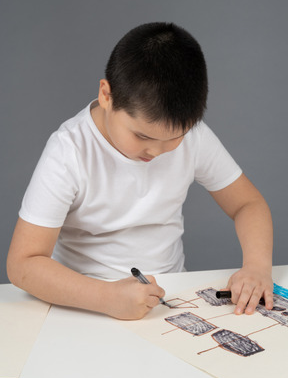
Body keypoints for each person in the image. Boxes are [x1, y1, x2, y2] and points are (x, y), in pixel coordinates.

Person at [6, 22, 273, 320]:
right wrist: (105, 297)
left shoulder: (194, 136)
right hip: (83, 305)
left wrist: (257, 266)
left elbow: (248, 204)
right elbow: (23, 264)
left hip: (168, 300)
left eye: (174, 138)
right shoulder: (69, 151)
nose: (156, 152)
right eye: (142, 137)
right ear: (107, 95)